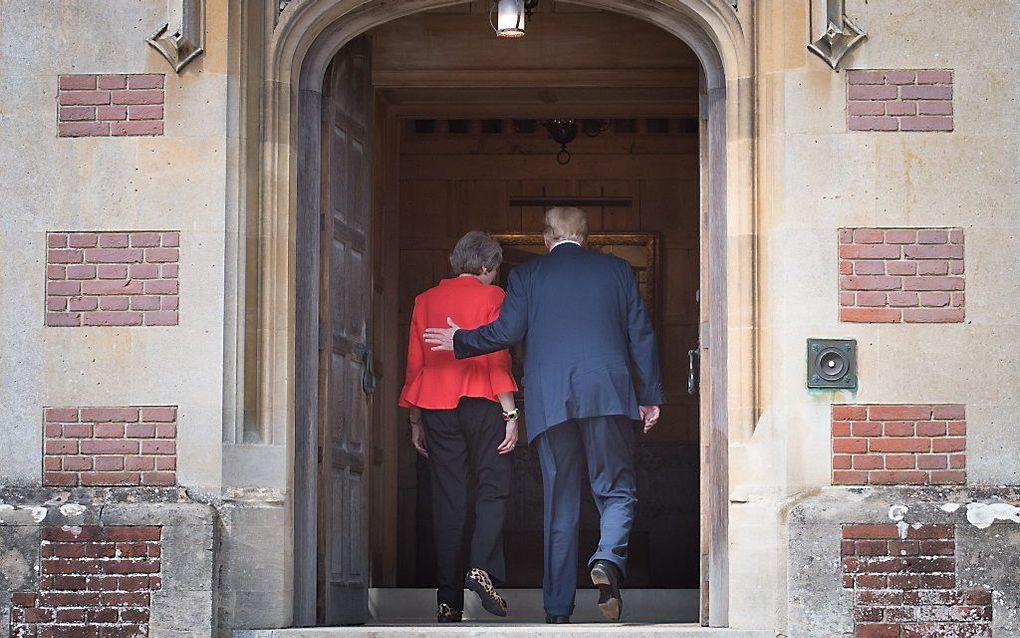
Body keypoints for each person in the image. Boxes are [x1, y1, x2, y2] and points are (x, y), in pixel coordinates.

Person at [425, 208, 663, 624]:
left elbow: (506, 333)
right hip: (608, 395)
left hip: (551, 402)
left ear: (547, 238)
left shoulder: (527, 276)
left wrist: (459, 339)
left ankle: (556, 610)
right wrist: (650, 396)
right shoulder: (619, 271)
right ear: (586, 238)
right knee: (616, 491)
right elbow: (640, 334)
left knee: (560, 503)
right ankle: (607, 558)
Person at [399, 230, 521, 624]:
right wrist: (511, 413)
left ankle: (448, 600)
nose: (496, 277)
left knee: (448, 499)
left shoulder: (424, 300)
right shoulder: (493, 298)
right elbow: (496, 356)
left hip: (436, 405)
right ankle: (482, 566)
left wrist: (414, 418)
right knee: (492, 488)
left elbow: (415, 362)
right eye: (495, 270)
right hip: (484, 403)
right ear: (486, 267)